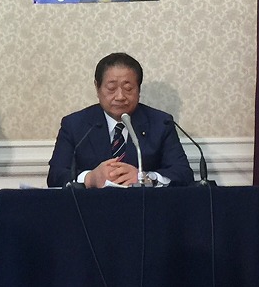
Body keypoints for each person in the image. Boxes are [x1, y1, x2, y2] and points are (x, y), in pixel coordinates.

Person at [47, 52, 193, 188]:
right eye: (111, 88)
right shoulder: (75, 125)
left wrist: (146, 177)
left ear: (139, 89)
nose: (120, 96)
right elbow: (55, 176)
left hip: (145, 205)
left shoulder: (161, 123)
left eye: (128, 88)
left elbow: (183, 174)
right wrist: (89, 178)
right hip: (91, 206)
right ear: (97, 88)